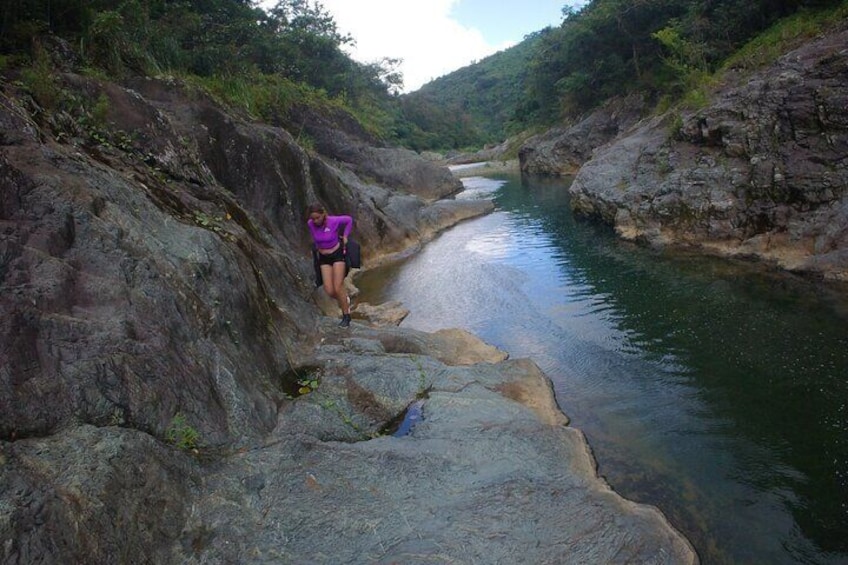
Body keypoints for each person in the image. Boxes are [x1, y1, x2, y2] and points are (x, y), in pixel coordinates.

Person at [306, 203, 353, 327]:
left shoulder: (333, 221)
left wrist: (346, 236)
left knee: (338, 286)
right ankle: (345, 300)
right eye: (313, 218)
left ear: (323, 214)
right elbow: (315, 238)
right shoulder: (310, 224)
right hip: (323, 257)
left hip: (337, 254)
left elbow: (349, 220)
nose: (316, 221)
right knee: (329, 290)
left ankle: (346, 316)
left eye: (318, 218)